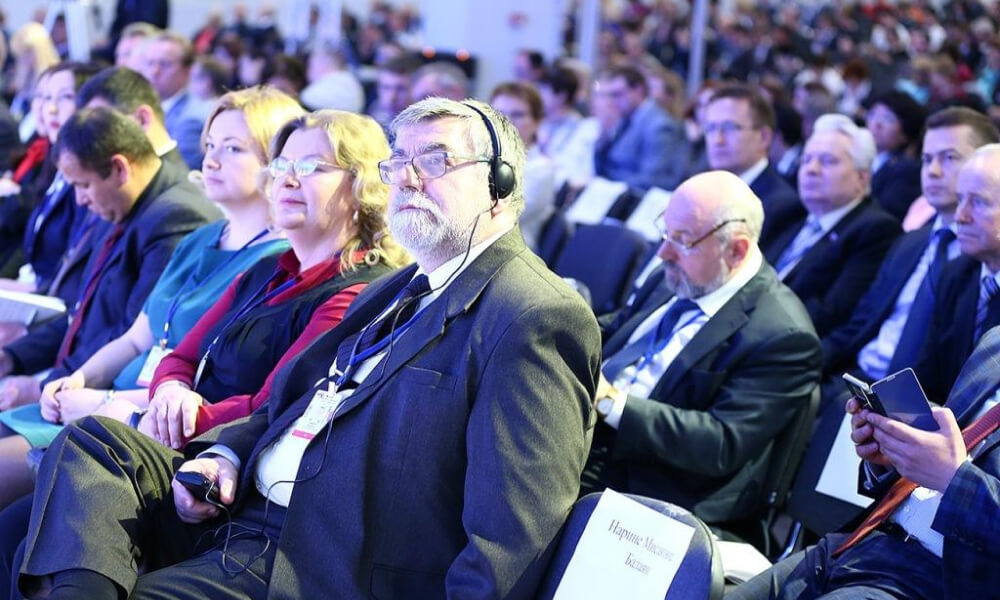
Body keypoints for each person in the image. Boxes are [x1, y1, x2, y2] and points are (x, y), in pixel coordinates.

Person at [14, 98, 600, 600]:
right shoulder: (404, 286)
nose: (408, 178)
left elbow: (512, 541)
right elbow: (291, 401)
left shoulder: (534, 315)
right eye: (400, 162)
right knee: (92, 447)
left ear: (500, 184)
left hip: (315, 561)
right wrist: (228, 456)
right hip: (239, 505)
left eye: (435, 161)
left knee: (37, 555)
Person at [0, 87, 302, 510]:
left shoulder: (279, 263)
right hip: (103, 402)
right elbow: (134, 339)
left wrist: (103, 401)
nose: (211, 160)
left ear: (278, 161)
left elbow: (216, 383)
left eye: (233, 148)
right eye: (210, 145)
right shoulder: (200, 237)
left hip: (142, 425)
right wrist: (78, 379)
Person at [136, 108, 407, 448]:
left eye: (311, 167)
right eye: (281, 166)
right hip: (179, 437)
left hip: (226, 453)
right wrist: (170, 392)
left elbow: (271, 406)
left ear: (360, 186)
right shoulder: (266, 269)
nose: (288, 180)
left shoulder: (360, 290)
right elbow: (180, 358)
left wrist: (167, 420)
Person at [581, 170, 822, 525]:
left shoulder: (783, 336)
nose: (663, 252)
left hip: (648, 483)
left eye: (682, 241)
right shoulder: (679, 274)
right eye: (666, 232)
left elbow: (720, 442)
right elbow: (617, 330)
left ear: (737, 250)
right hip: (588, 431)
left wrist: (608, 403)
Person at [728, 323, 1000, 599]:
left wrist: (952, 478)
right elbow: (949, 450)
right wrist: (892, 455)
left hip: (940, 580)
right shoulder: (995, 343)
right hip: (862, 543)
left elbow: (950, 470)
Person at [0, 107, 219, 415]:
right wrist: (12, 357)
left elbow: (129, 334)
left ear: (119, 169)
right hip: (73, 380)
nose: (80, 199)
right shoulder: (121, 203)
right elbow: (82, 314)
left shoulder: (176, 217)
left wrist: (43, 388)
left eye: (83, 185)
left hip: (105, 399)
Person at [823, 108, 1000, 388]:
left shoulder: (974, 262)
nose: (933, 171)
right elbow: (861, 321)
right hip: (856, 379)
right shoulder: (910, 241)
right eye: (927, 159)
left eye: (949, 157)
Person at [763, 113, 901, 336]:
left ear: (862, 178)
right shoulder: (788, 213)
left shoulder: (875, 229)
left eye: (827, 161)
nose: (811, 169)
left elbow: (831, 313)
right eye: (806, 160)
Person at [702, 83, 804, 249]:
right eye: (711, 128)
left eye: (729, 128)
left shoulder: (781, 205)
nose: (717, 140)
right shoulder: (701, 188)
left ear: (764, 137)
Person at [592, 64, 687, 192]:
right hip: (616, 191)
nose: (613, 101)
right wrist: (604, 134)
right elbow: (603, 167)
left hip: (634, 196)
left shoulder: (659, 126)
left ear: (638, 90)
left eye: (618, 94)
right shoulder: (626, 118)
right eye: (611, 95)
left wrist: (609, 185)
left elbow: (653, 179)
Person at [490, 81, 556, 250]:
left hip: (509, 254)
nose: (506, 122)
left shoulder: (541, 169)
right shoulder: (479, 157)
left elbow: (500, 216)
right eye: (498, 114)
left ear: (537, 122)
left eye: (518, 115)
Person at [141, 30, 210, 169]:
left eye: (164, 64)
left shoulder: (192, 119)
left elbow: (179, 173)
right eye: (150, 63)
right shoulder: (145, 106)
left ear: (187, 70)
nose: (154, 71)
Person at [866, 90, 926, 220]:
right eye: (872, 114)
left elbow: (885, 215)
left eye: (887, 119)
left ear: (905, 134)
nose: (876, 124)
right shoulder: (860, 158)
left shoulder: (906, 171)